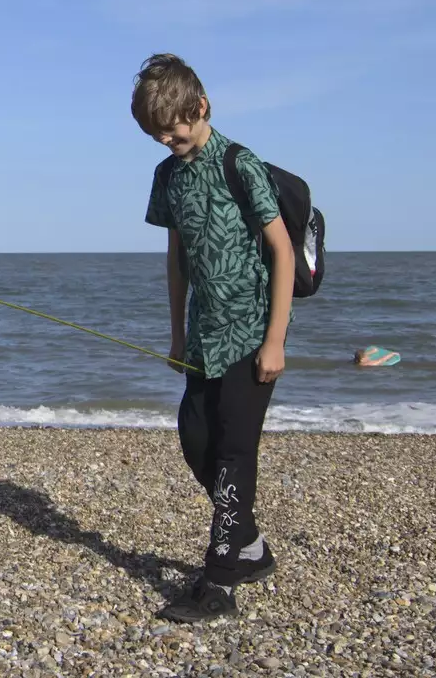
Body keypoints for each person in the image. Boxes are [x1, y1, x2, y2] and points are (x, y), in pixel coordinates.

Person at [134, 53, 294, 624]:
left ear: (200, 107)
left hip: (252, 334)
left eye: (172, 131)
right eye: (156, 135)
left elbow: (282, 249)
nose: (165, 141)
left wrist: (275, 340)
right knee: (196, 441)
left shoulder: (238, 162)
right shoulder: (167, 175)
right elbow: (177, 256)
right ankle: (249, 546)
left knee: (233, 454)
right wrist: (177, 332)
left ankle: (219, 583)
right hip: (203, 336)